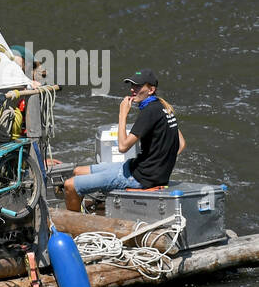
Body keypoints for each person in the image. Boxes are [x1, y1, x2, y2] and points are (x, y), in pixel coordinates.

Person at [64, 69, 186, 211]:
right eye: (132, 85)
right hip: (139, 168)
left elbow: (122, 147)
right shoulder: (163, 107)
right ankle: (93, 206)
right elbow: (181, 144)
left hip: (139, 178)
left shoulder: (149, 112)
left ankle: (74, 227)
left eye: (138, 86)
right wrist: (161, 163)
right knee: (78, 171)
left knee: (70, 185)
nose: (133, 89)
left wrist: (122, 114)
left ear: (151, 90)